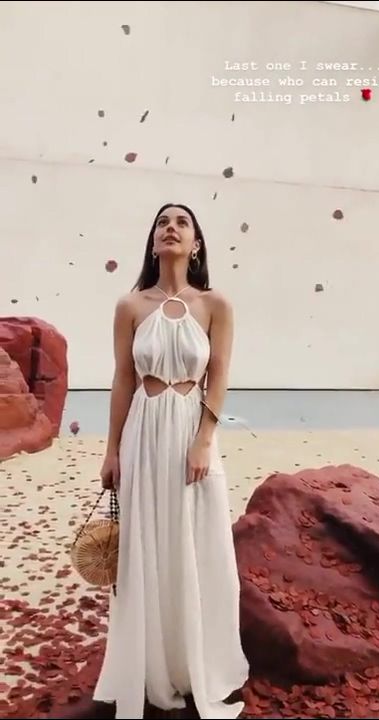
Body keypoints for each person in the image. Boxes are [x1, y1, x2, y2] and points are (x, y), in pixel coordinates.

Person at [93, 203, 249, 719]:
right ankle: (151, 667)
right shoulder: (130, 305)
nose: (171, 228)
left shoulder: (215, 304)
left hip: (190, 430)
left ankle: (195, 664)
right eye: (163, 222)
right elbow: (123, 379)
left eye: (182, 222)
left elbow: (219, 375)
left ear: (196, 243)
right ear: (153, 240)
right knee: (146, 544)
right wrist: (112, 449)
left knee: (197, 541)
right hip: (143, 431)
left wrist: (204, 440)